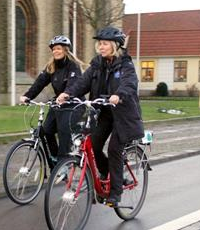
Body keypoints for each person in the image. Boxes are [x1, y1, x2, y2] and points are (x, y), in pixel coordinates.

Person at [57, 26, 144, 206]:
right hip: (103, 112)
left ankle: (115, 192)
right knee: (93, 146)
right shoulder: (97, 64)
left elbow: (129, 83)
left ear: (115, 45)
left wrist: (118, 95)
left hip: (123, 115)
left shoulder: (125, 64)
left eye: (105, 44)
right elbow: (82, 83)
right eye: (100, 44)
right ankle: (104, 173)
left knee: (114, 149)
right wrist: (68, 94)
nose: (101, 47)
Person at [20, 35, 84, 161]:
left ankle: (63, 163)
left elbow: (73, 84)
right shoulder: (51, 67)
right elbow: (39, 83)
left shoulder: (73, 66)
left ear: (65, 50)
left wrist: (66, 94)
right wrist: (27, 96)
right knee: (47, 130)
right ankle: (55, 158)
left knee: (63, 130)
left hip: (74, 104)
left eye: (59, 48)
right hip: (58, 104)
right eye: (54, 49)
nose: (56, 51)